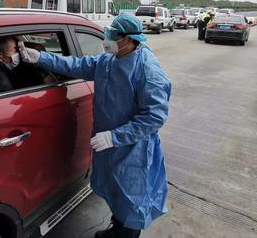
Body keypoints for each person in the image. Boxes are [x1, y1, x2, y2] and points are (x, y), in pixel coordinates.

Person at [19, 13, 171, 238]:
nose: (107, 38)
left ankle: (124, 235)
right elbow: (75, 65)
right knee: (114, 193)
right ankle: (116, 230)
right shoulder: (108, 61)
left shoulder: (148, 71)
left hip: (131, 150)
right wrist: (39, 57)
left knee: (131, 200)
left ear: (129, 40)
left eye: (112, 35)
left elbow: (154, 117)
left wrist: (114, 137)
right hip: (108, 144)